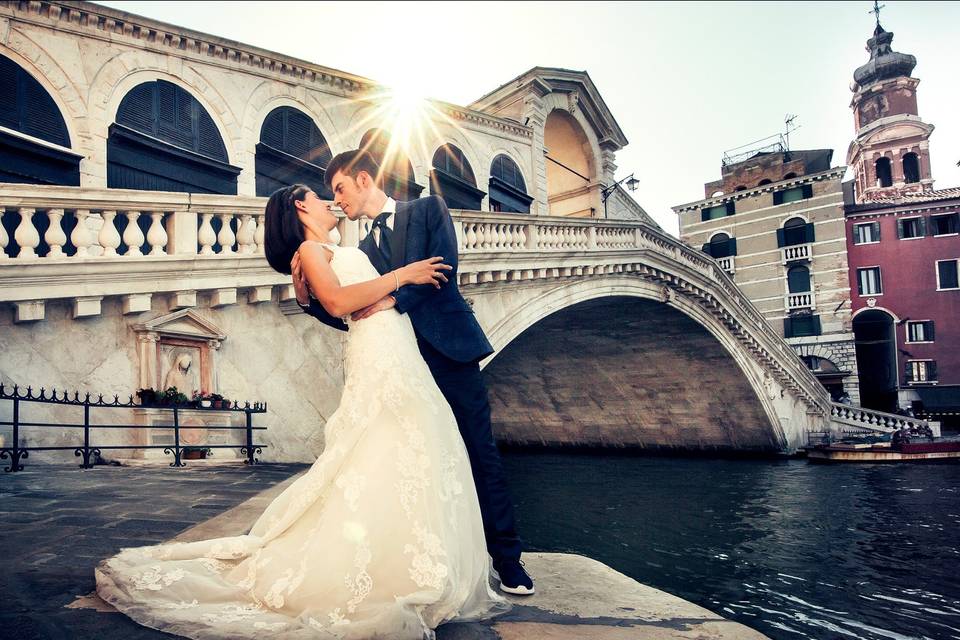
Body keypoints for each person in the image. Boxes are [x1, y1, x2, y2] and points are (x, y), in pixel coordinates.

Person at [95, 184, 510, 639]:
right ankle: (389, 563)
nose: (330, 201)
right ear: (300, 206)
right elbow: (339, 304)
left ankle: (418, 553)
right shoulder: (312, 249)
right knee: (385, 446)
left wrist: (383, 286)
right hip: (380, 356)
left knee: (415, 447)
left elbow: (355, 302)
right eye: (320, 194)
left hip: (399, 349)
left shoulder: (338, 247)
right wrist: (400, 276)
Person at [292, 150, 533, 597]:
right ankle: (442, 556)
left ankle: (509, 560)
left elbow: (443, 268)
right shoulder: (358, 252)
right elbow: (351, 311)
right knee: (423, 458)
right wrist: (308, 301)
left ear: (363, 180)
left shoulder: (426, 210)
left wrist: (394, 300)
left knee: (480, 451)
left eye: (340, 189)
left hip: (450, 350)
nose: (337, 200)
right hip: (400, 360)